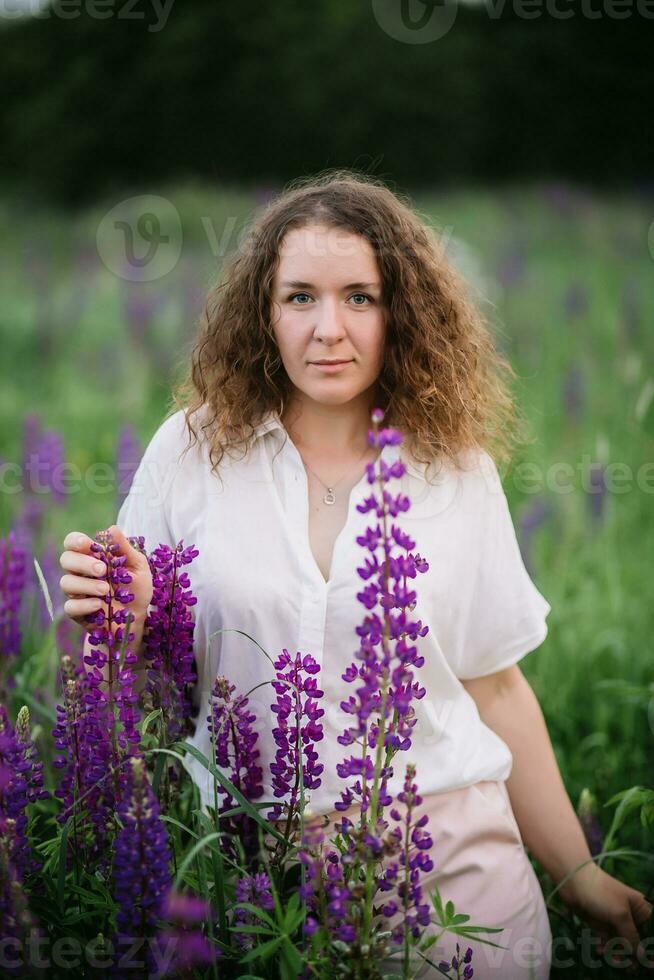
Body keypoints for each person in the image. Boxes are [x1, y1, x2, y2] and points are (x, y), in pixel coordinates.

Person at [59, 170, 652, 978]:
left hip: (446, 870)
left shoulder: (455, 469)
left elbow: (495, 686)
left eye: (359, 298)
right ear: (264, 312)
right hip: (250, 882)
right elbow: (150, 664)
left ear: (399, 310)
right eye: (299, 296)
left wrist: (578, 873)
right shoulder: (191, 451)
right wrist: (116, 617)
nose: (327, 328)